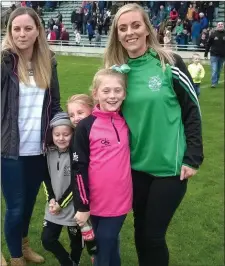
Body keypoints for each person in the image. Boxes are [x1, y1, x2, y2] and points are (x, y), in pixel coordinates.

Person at [103, 3, 204, 266]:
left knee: (154, 235)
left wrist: (193, 156)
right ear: (117, 34)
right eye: (122, 28)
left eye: (135, 25)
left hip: (168, 167)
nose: (129, 33)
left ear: (147, 29)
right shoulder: (116, 72)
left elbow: (192, 109)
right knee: (140, 230)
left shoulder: (169, 62)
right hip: (134, 166)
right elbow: (105, 116)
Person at [1, 7, 61, 266]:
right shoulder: (4, 62)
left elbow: (55, 104)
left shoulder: (49, 61)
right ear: (10, 32)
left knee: (28, 205)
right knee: (15, 206)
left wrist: (65, 128)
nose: (22, 34)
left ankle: (24, 245)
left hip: (38, 150)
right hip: (9, 150)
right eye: (17, 29)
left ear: (38, 31)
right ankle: (15, 257)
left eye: (28, 28)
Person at [71, 68, 133, 266]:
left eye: (118, 90)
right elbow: (78, 169)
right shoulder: (86, 126)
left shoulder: (128, 121)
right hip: (92, 203)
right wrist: (83, 205)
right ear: (95, 93)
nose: (112, 96)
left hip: (119, 202)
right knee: (109, 247)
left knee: (103, 245)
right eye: (106, 91)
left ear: (125, 93)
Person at [41, 112, 83, 266]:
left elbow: (76, 184)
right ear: (51, 134)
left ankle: (75, 261)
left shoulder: (77, 154)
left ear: (73, 134)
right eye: (57, 134)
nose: (61, 138)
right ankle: (68, 263)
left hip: (74, 208)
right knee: (47, 240)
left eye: (66, 134)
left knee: (76, 243)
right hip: (53, 206)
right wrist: (51, 199)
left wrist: (61, 203)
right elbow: (45, 178)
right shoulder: (48, 153)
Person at [204, 22, 225, 88]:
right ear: (217, 26)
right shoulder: (213, 34)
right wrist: (206, 54)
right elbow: (208, 44)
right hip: (214, 55)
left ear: (223, 26)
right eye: (219, 25)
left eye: (221, 24)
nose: (220, 25)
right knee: (214, 69)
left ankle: (216, 81)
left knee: (218, 71)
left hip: (222, 56)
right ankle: (213, 83)